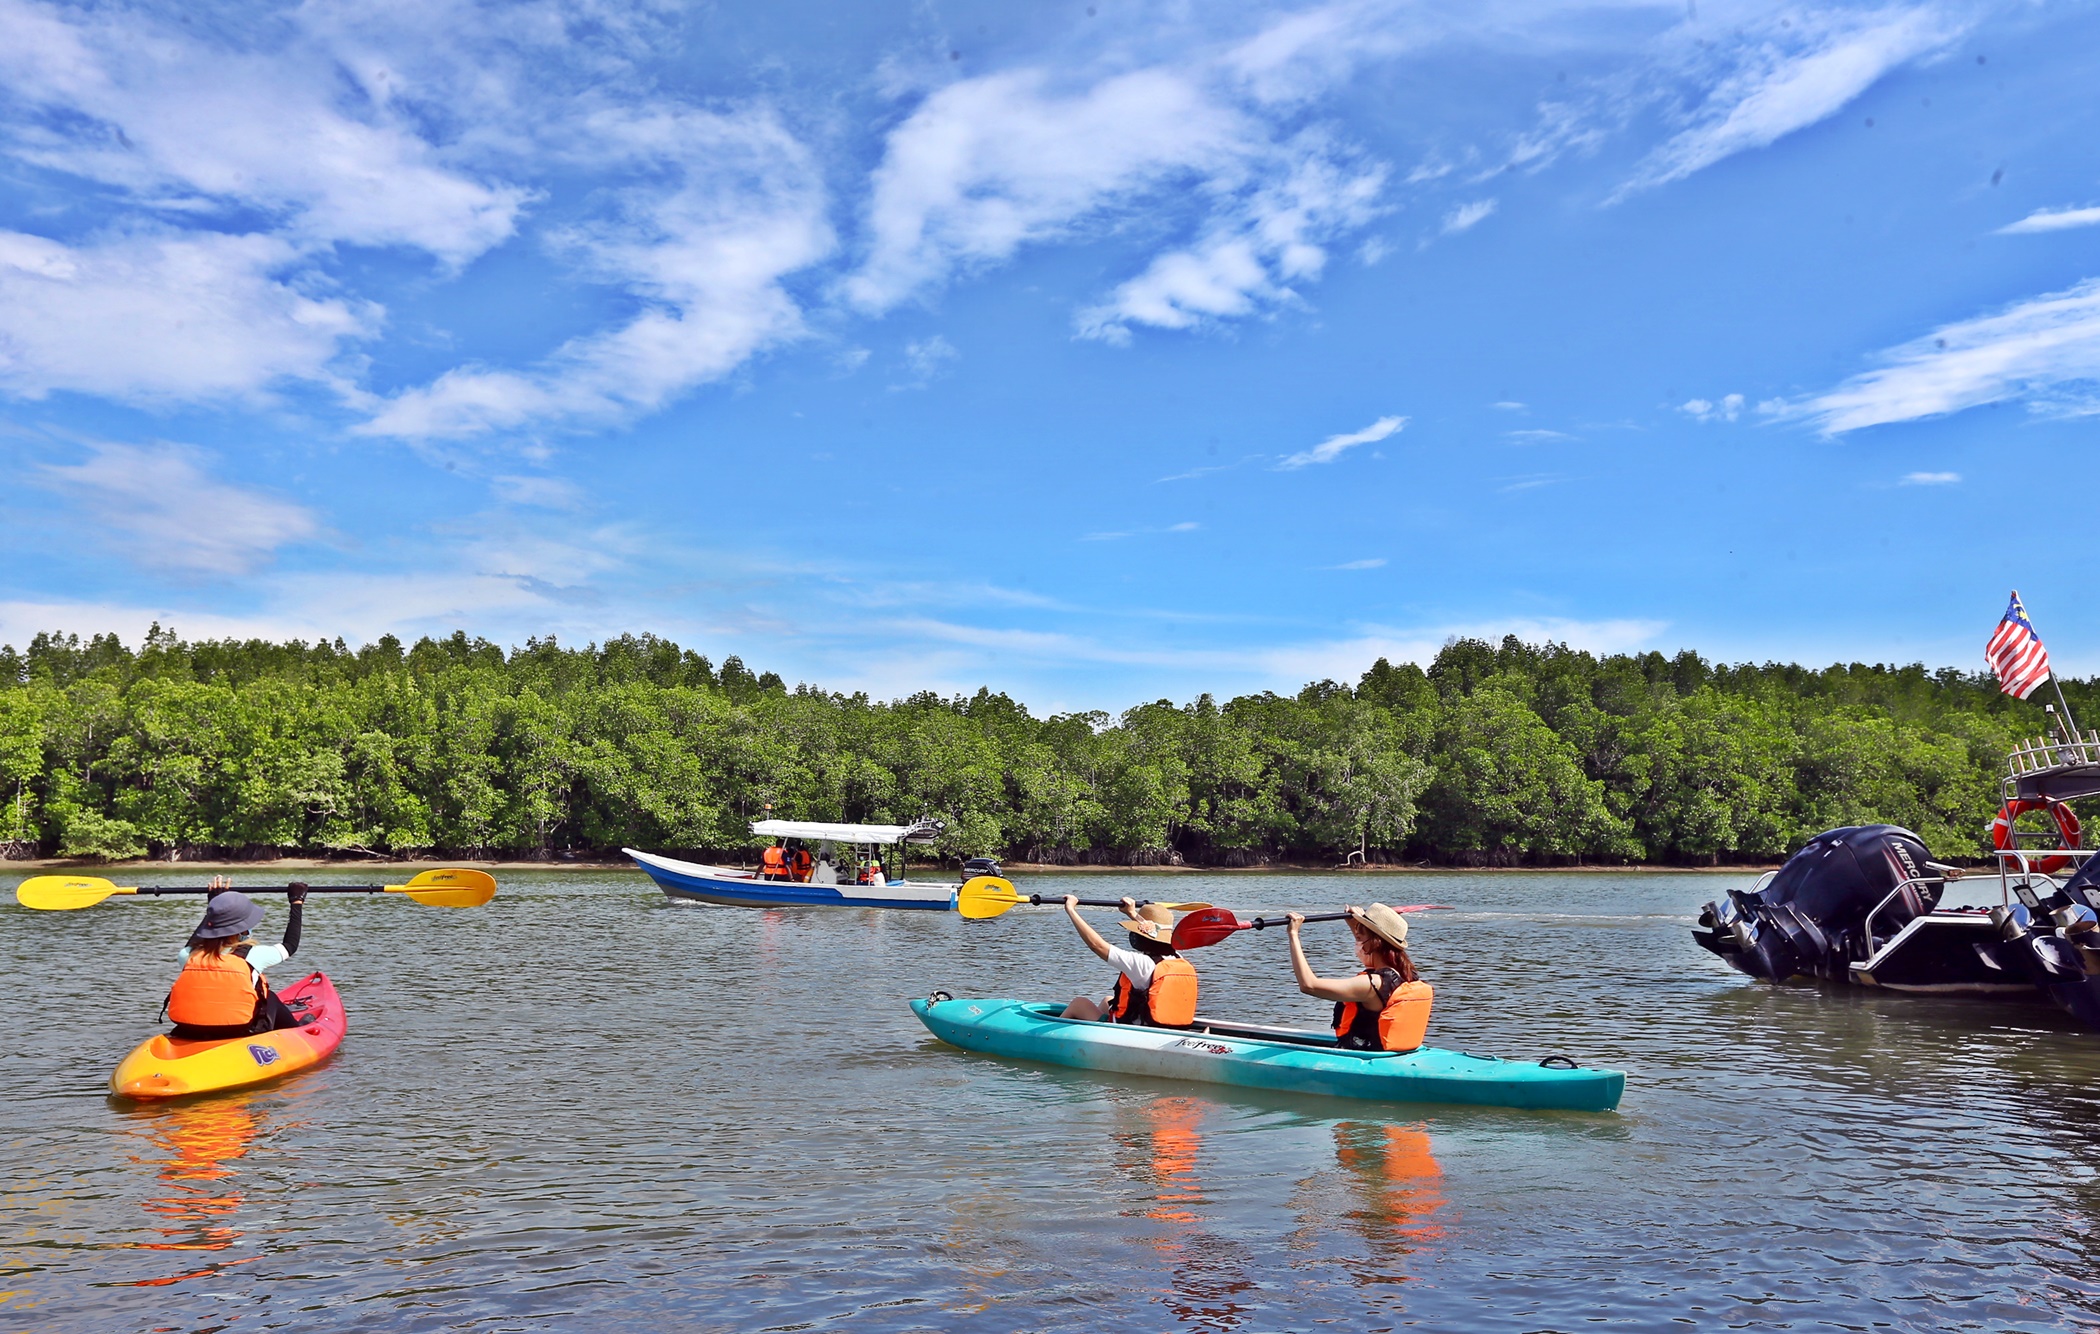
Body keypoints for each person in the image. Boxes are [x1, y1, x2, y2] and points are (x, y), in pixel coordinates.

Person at [163, 879, 312, 1039]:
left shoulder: (187, 955)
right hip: (238, 1030)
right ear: (242, 929)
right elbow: (290, 945)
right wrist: (296, 901)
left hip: (190, 1029)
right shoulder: (254, 955)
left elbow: (196, 940)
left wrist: (214, 907)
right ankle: (296, 1030)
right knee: (269, 996)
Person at [1285, 904, 1433, 1052]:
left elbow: (1309, 985)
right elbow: (1371, 952)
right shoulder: (1406, 974)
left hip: (1366, 1057)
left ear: (1375, 943)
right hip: (1390, 1053)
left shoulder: (1371, 985)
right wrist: (1356, 925)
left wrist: (1293, 934)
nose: (1357, 943)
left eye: (1359, 938)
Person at [1058, 895, 1199, 1028]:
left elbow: (1097, 945)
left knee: (1079, 1004)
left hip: (1135, 1030)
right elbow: (1152, 931)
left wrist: (1071, 909)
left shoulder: (1141, 964)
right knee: (1107, 1001)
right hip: (1163, 1026)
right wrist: (1131, 913)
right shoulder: (1177, 958)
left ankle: (1048, 1039)